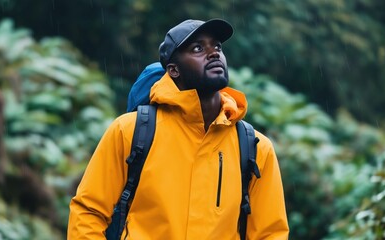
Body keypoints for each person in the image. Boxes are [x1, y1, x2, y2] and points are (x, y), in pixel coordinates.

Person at [67, 18, 289, 239]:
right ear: (173, 70)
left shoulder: (254, 147)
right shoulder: (130, 131)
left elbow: (270, 233)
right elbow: (88, 212)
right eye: (198, 48)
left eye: (217, 46)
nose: (213, 53)